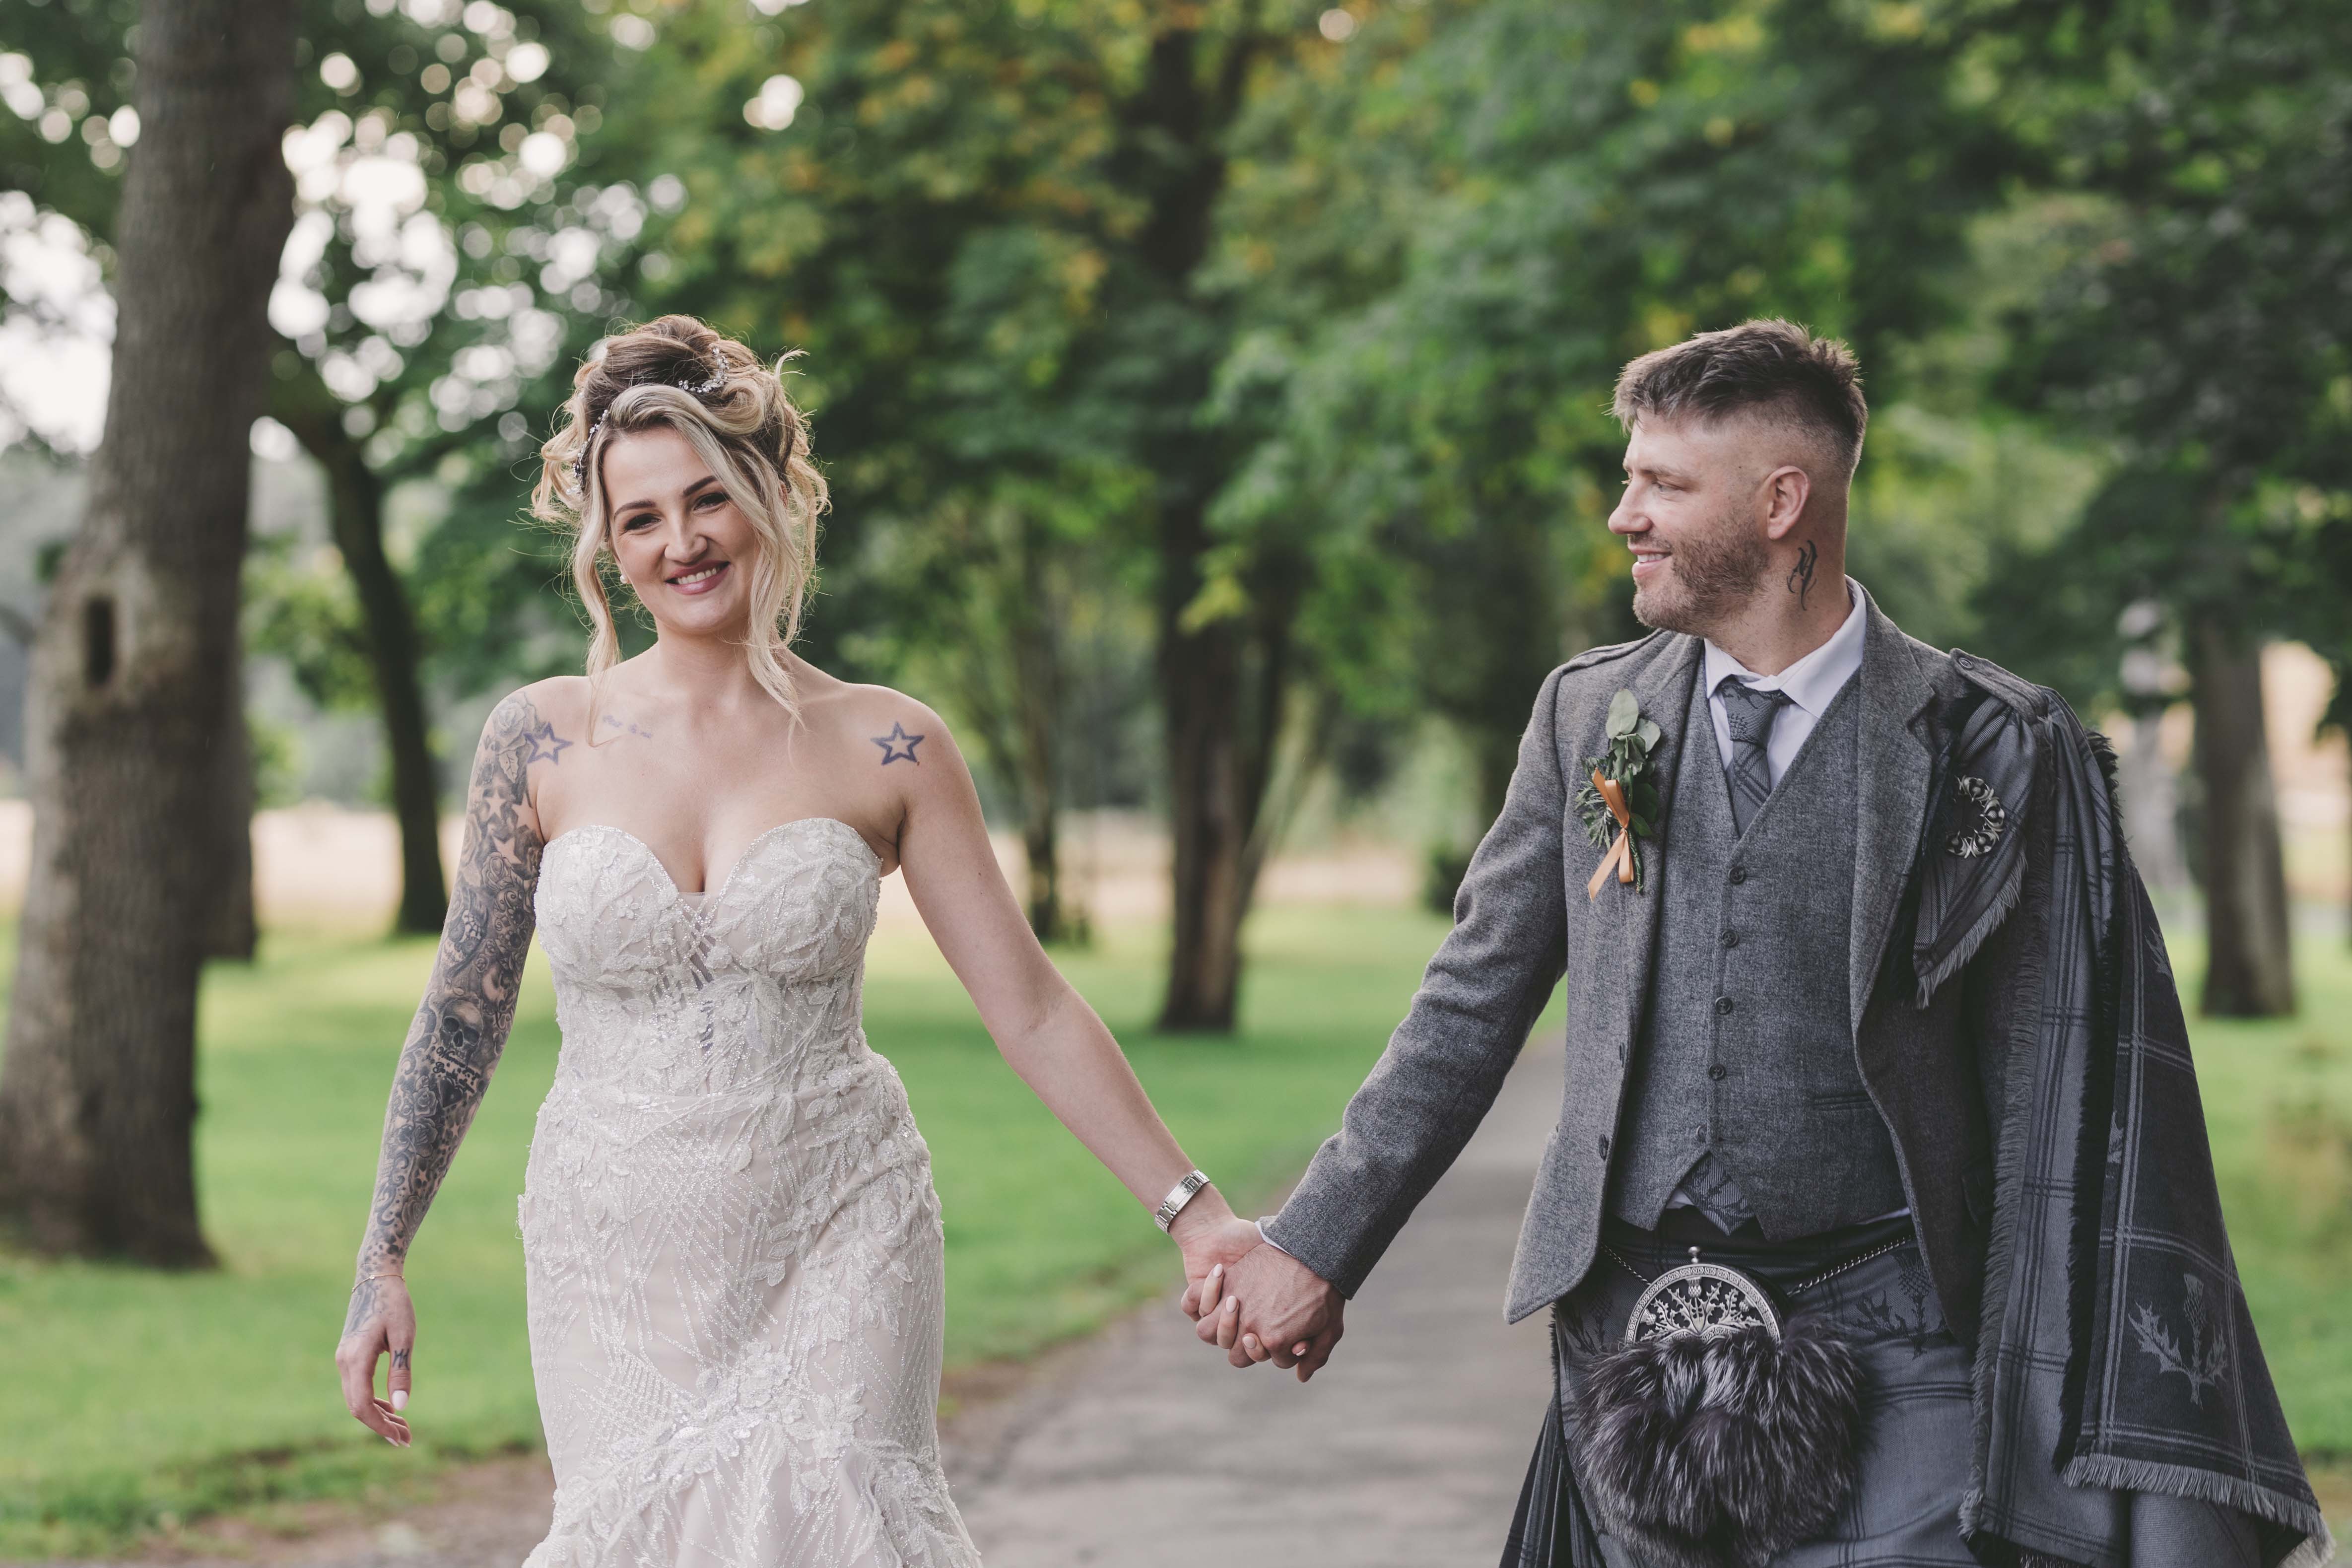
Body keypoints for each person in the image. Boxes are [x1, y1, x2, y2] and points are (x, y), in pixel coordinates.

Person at [1191, 320, 2330, 1568]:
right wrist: (1315, 1242)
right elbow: (1467, 1006)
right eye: (1630, 477)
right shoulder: (1592, 713)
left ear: (1784, 502)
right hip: (1630, 1342)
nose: (1624, 514)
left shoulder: (1991, 746)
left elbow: (2068, 1088)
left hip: (1904, 1346)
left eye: (1663, 483)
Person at [333, 316, 1262, 1566]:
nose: (682, 542)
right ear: (606, 540)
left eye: (708, 499)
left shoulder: (890, 743)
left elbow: (1029, 1004)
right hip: (615, 1246)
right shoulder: (541, 740)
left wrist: (1196, 1216)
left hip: (840, 1218)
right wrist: (382, 1251)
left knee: (837, 1510)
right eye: (643, 517)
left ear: (771, 496)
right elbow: (463, 1008)